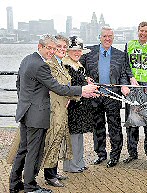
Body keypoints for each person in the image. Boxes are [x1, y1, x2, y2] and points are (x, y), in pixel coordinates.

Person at [9, 34, 98, 193]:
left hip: (26, 113)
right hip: (37, 115)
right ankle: (30, 186)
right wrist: (82, 90)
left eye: (53, 48)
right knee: (33, 152)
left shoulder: (27, 60)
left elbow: (19, 85)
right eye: (48, 48)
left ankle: (14, 184)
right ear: (40, 47)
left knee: (23, 150)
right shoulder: (41, 65)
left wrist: (26, 102)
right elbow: (58, 88)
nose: (51, 51)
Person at [80, 26, 129, 168]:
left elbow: (124, 74)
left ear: (113, 38)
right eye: (105, 36)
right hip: (95, 95)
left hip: (112, 96)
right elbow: (77, 68)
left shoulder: (120, 55)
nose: (107, 39)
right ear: (99, 37)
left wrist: (125, 85)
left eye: (110, 36)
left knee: (115, 127)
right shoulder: (89, 53)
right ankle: (100, 154)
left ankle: (115, 155)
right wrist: (85, 79)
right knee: (98, 126)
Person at [123, 21, 147, 165]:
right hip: (133, 88)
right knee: (132, 123)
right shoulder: (129, 45)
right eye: (141, 30)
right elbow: (125, 66)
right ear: (138, 30)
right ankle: (132, 153)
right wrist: (130, 78)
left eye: (146, 31)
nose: (143, 33)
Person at [42, 35, 71, 187]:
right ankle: (49, 176)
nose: (61, 49)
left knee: (58, 139)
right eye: (58, 47)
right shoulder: (49, 64)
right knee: (52, 139)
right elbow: (59, 87)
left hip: (61, 108)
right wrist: (80, 92)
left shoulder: (61, 64)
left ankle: (53, 171)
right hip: (54, 109)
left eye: (64, 47)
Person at [63, 36, 94, 172]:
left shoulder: (78, 65)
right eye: (74, 50)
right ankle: (72, 165)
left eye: (79, 50)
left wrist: (89, 85)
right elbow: (68, 87)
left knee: (78, 135)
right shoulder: (66, 65)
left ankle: (79, 162)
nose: (77, 53)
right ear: (68, 51)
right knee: (72, 136)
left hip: (80, 105)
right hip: (72, 106)